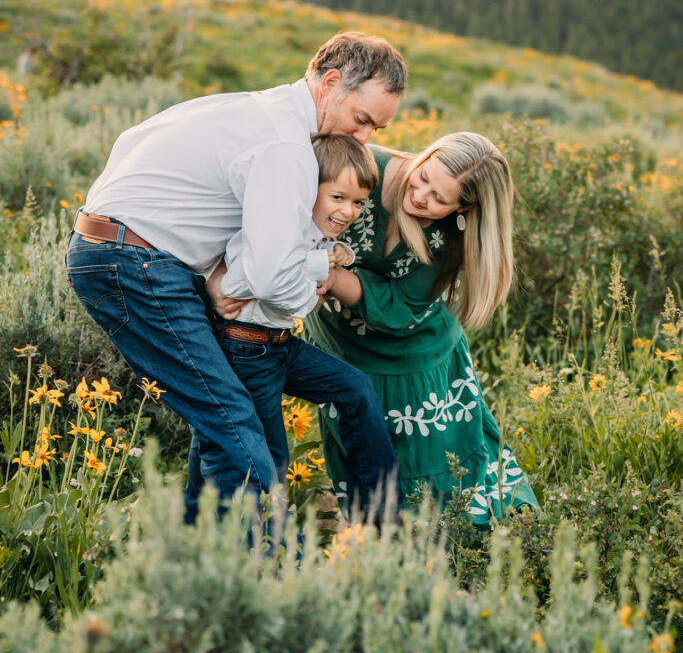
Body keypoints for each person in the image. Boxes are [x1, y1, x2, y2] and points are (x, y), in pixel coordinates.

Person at [65, 32, 407, 522]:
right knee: (235, 426)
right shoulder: (284, 146)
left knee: (221, 421)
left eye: (376, 127)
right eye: (362, 119)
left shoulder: (248, 109)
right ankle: (254, 576)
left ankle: (201, 557)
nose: (365, 138)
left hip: (119, 248)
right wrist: (316, 269)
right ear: (331, 83)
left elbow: (130, 142)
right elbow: (275, 284)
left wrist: (215, 268)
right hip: (135, 263)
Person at [304, 132, 539, 524]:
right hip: (341, 343)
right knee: (358, 450)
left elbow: (398, 307)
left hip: (413, 354)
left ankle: (459, 541)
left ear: (464, 207)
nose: (420, 195)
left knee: (436, 458)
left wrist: (327, 278)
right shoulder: (364, 167)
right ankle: (375, 539)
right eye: (424, 176)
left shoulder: (455, 237)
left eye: (439, 199)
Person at [186, 134, 399, 516]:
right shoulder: (274, 231)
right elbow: (242, 284)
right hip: (246, 348)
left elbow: (314, 270)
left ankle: (378, 514)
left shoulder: (315, 237)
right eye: (338, 197)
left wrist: (331, 258)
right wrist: (319, 269)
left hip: (278, 345)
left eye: (358, 202)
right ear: (307, 189)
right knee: (267, 458)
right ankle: (244, 547)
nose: (349, 211)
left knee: (356, 389)